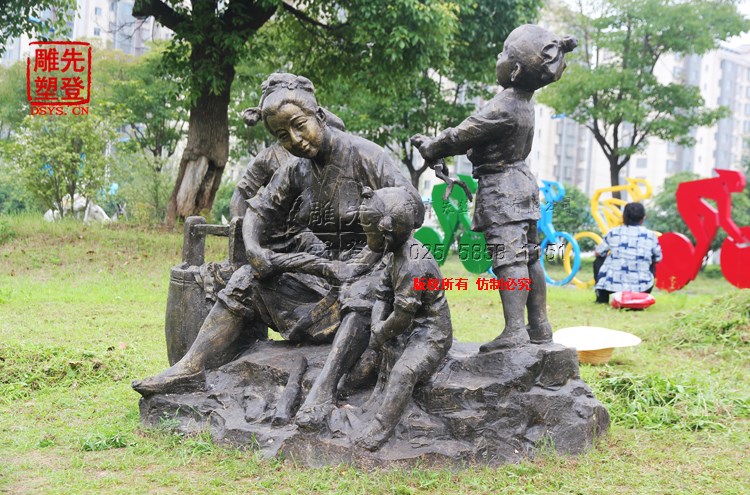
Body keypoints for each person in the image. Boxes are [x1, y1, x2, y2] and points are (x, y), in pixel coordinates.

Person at [133, 73, 424, 401]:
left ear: (319, 116)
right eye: (283, 136)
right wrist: (254, 249)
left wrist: (371, 250)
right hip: (327, 272)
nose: (296, 140)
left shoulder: (367, 155)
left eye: (299, 125)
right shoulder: (298, 169)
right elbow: (259, 211)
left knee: (361, 296)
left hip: (376, 273)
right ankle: (190, 367)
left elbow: (412, 206)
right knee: (246, 280)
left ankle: (324, 390)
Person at [411, 25, 576, 352]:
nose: (498, 57)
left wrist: (432, 146)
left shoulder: (506, 104)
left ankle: (515, 330)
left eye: (503, 53)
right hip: (523, 184)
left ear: (515, 70)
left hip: (502, 188)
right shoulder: (524, 102)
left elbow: (463, 134)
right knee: (530, 256)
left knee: (509, 259)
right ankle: (539, 325)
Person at [352, 187, 452, 451]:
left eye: (368, 231)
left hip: (431, 333)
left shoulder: (412, 264)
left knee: (403, 372)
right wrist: (377, 327)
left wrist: (381, 332)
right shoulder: (394, 254)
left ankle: (381, 428)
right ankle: (372, 400)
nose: (365, 236)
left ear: (386, 233)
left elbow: (402, 318)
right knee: (379, 352)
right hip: (404, 326)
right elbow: (382, 295)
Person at [594, 202, 662, 304]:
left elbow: (598, 253)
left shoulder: (614, 232)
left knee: (598, 260)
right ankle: (642, 295)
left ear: (623, 217)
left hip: (613, 288)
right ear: (643, 218)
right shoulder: (651, 236)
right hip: (642, 288)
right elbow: (658, 258)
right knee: (652, 261)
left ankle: (602, 297)